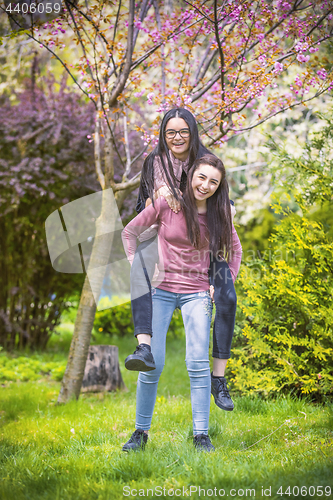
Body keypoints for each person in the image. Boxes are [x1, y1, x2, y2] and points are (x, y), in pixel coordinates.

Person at [121, 155, 242, 452]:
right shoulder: (168, 204)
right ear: (191, 176)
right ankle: (140, 433)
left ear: (219, 186)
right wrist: (135, 265)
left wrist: (225, 283)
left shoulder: (219, 214)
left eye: (213, 181)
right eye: (201, 177)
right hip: (160, 290)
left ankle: (201, 435)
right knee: (152, 364)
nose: (206, 185)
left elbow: (235, 251)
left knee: (197, 364)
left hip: (197, 292)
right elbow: (129, 232)